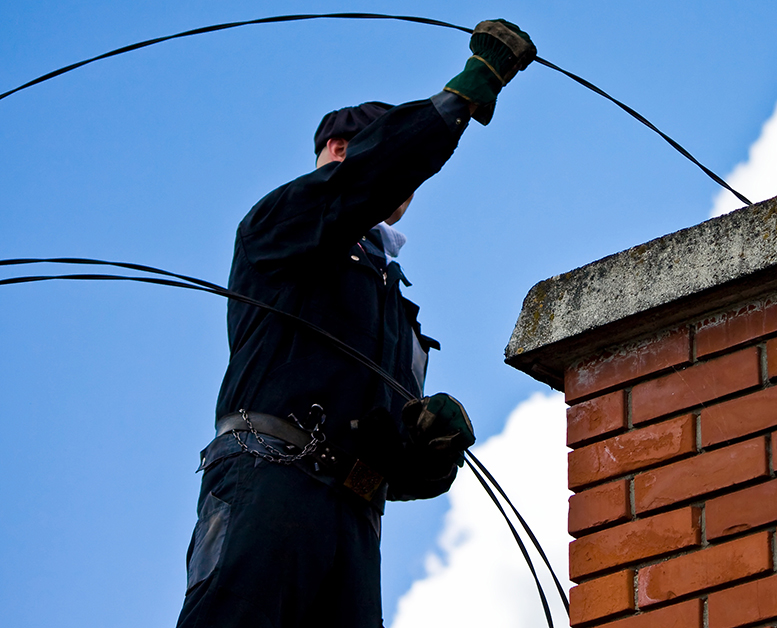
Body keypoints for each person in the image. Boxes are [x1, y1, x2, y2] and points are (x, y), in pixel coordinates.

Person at [176, 20, 536, 628]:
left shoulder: (397, 312)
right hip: (269, 486)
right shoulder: (281, 226)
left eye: (356, 145)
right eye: (340, 148)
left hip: (354, 523)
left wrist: (432, 448)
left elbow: (403, 473)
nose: (341, 153)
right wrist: (465, 93)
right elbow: (360, 185)